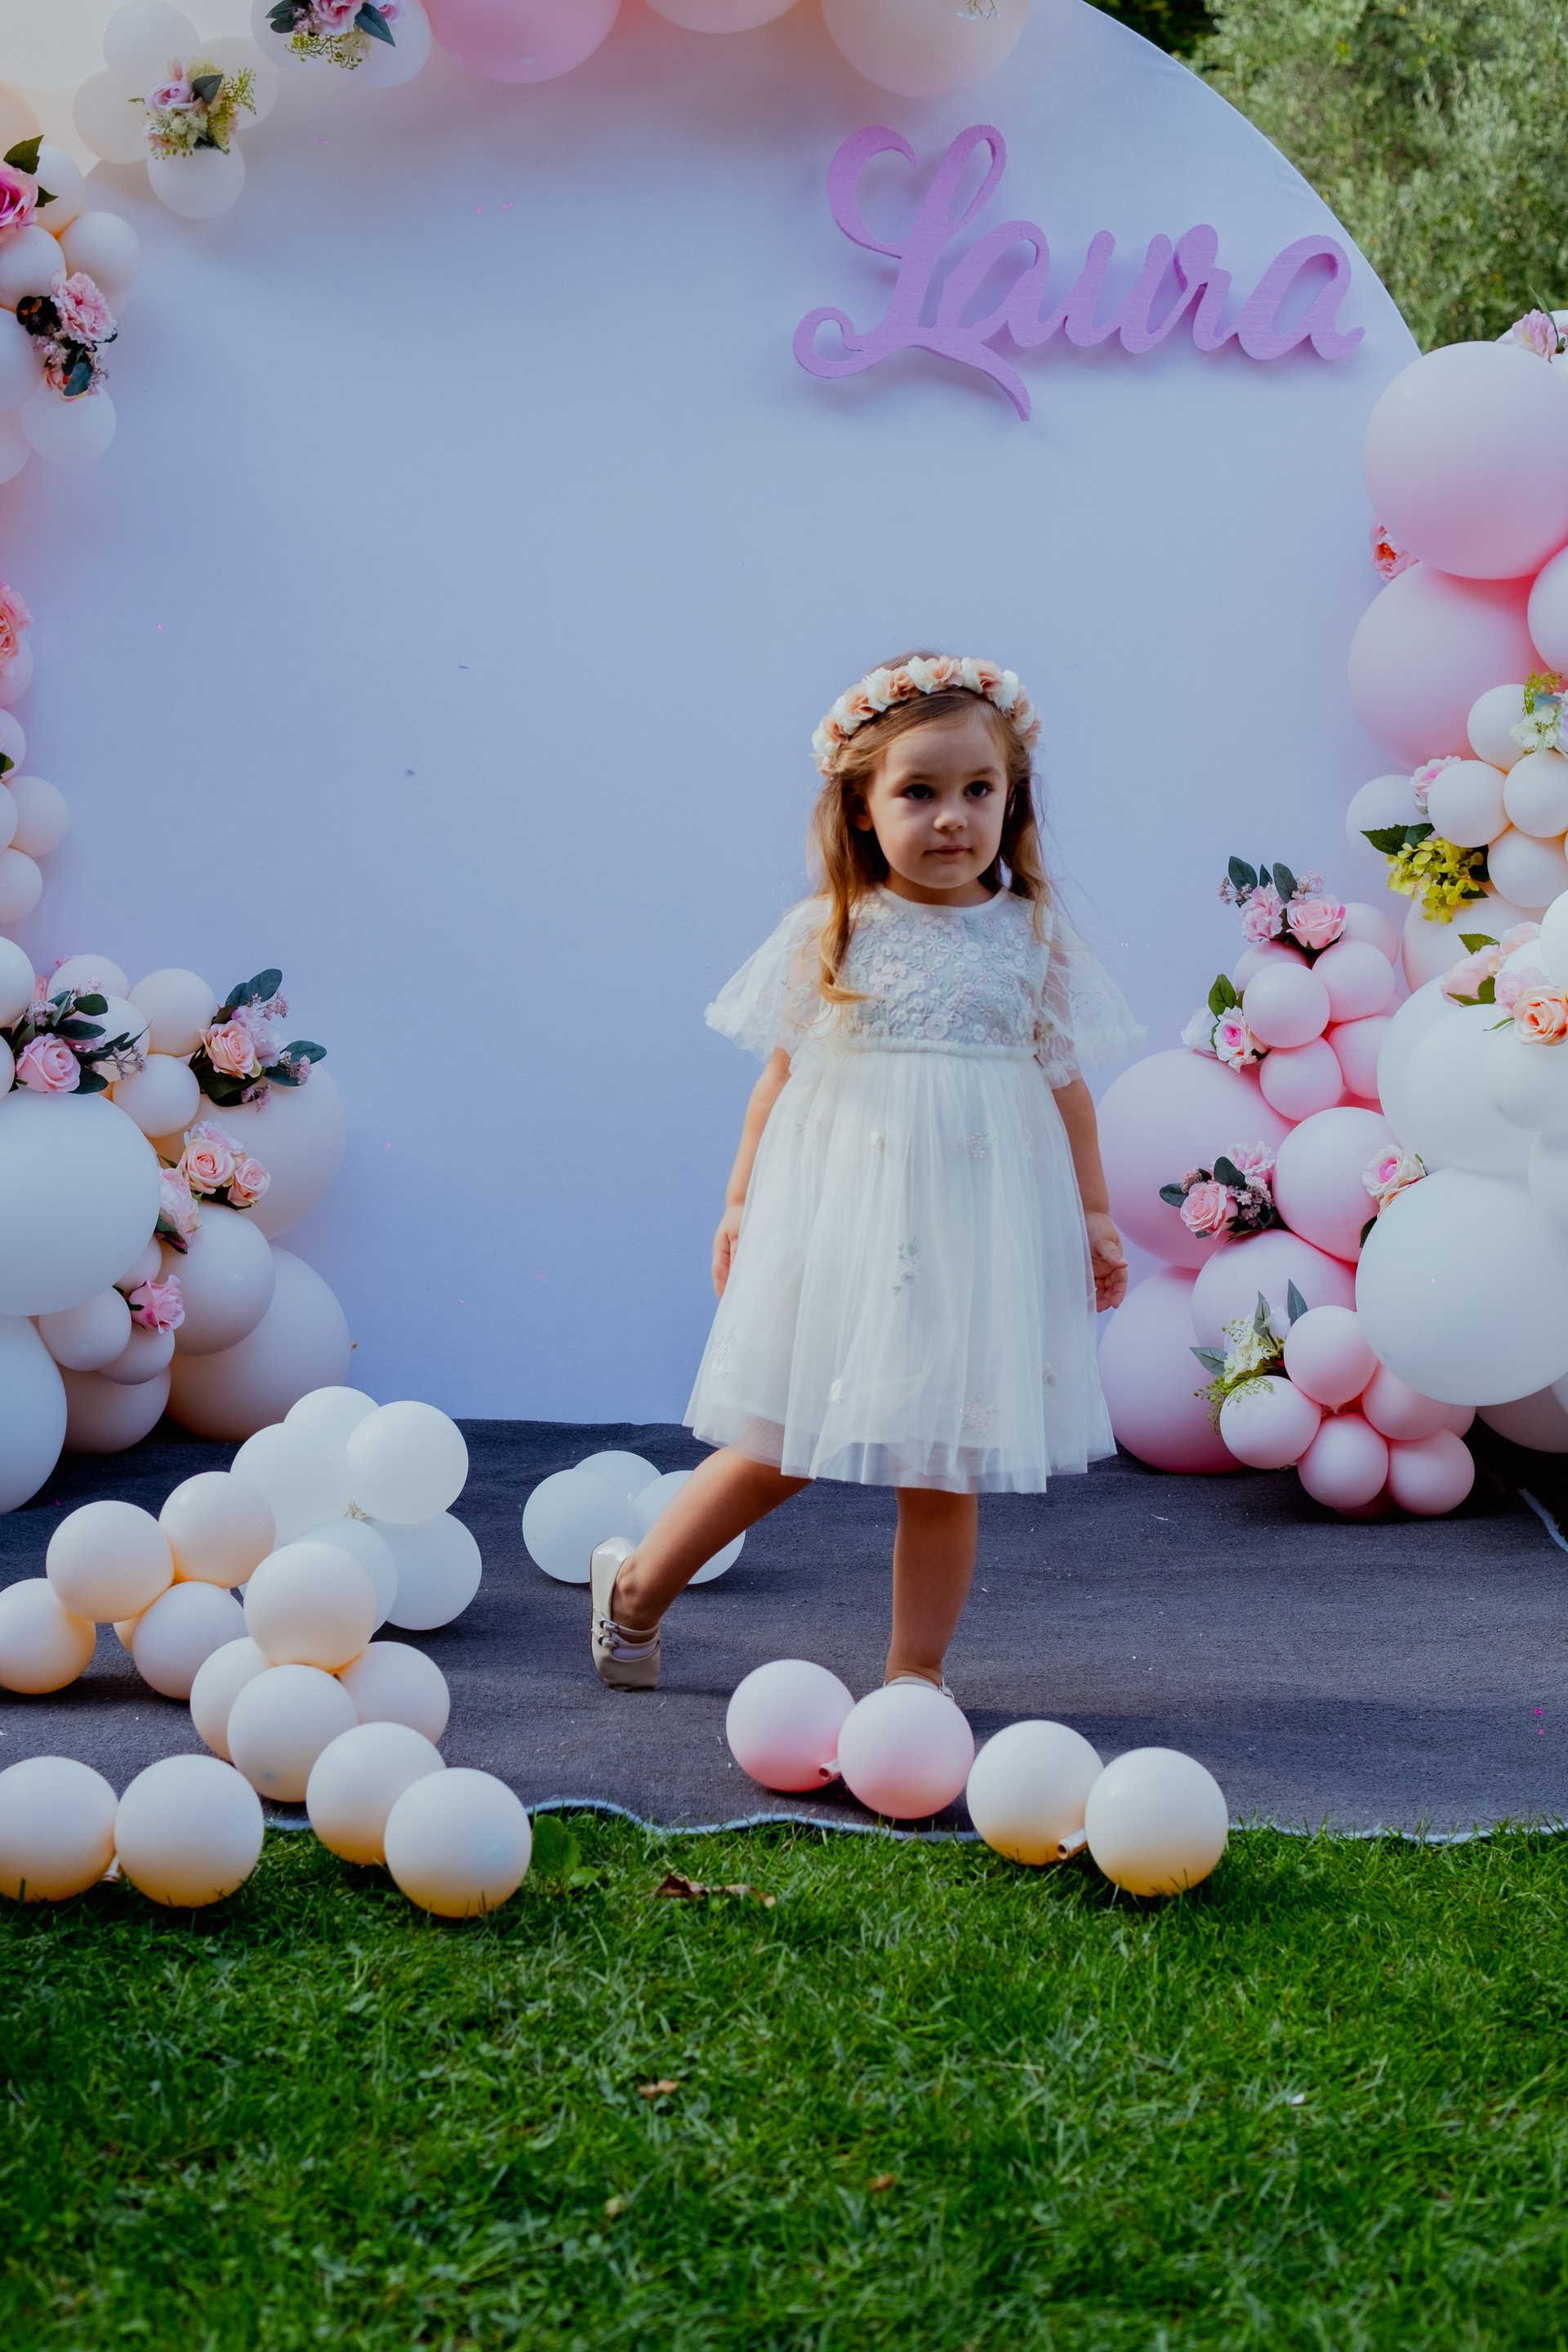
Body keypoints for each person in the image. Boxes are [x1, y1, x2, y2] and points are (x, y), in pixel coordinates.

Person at [590, 651, 1143, 1696]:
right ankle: (636, 1588)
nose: (952, 818)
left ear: (1011, 798)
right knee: (780, 1445)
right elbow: (778, 1081)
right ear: (860, 808)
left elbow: (1065, 1084)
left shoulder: (1030, 938)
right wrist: (740, 1202)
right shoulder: (835, 930)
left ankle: (913, 1678)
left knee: (944, 1464)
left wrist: (1097, 1215)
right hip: (848, 1230)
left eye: (977, 790)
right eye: (918, 793)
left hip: (971, 1237)